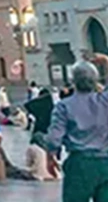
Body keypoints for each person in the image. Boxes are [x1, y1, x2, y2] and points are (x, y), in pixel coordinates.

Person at [44, 61, 108, 201]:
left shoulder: (64, 106)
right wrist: (105, 61)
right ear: (95, 81)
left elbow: (54, 137)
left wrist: (50, 157)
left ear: (73, 81)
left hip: (79, 163)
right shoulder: (105, 100)